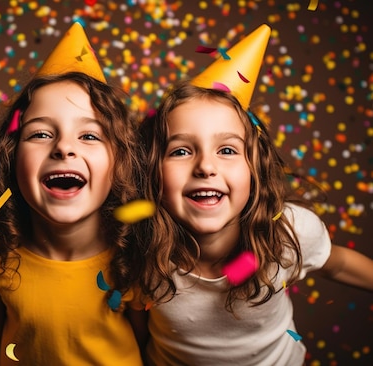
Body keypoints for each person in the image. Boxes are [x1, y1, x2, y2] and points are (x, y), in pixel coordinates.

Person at [138, 24, 373, 365]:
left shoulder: (288, 233)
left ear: (255, 170)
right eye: (181, 151)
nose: (206, 166)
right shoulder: (140, 244)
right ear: (153, 171)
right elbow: (135, 321)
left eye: (228, 151)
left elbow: (337, 264)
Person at [0, 22, 149, 365]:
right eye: (41, 134)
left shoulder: (137, 258)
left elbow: (147, 346)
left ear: (120, 161)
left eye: (90, 136)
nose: (63, 147)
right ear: (11, 158)